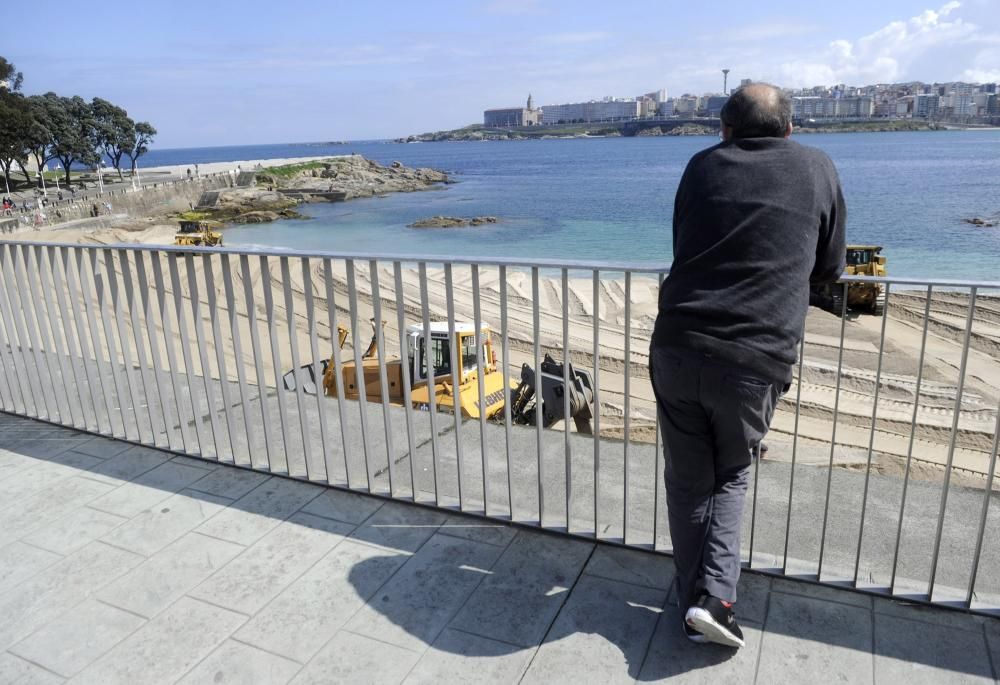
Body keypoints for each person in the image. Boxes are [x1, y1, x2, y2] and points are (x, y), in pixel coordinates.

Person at [649, 83, 846, 649]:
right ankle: (716, 599)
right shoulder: (817, 168)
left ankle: (694, 600)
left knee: (689, 483)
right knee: (731, 472)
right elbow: (829, 266)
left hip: (678, 340)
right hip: (753, 354)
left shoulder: (701, 165)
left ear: (725, 130)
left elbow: (683, 242)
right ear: (789, 128)